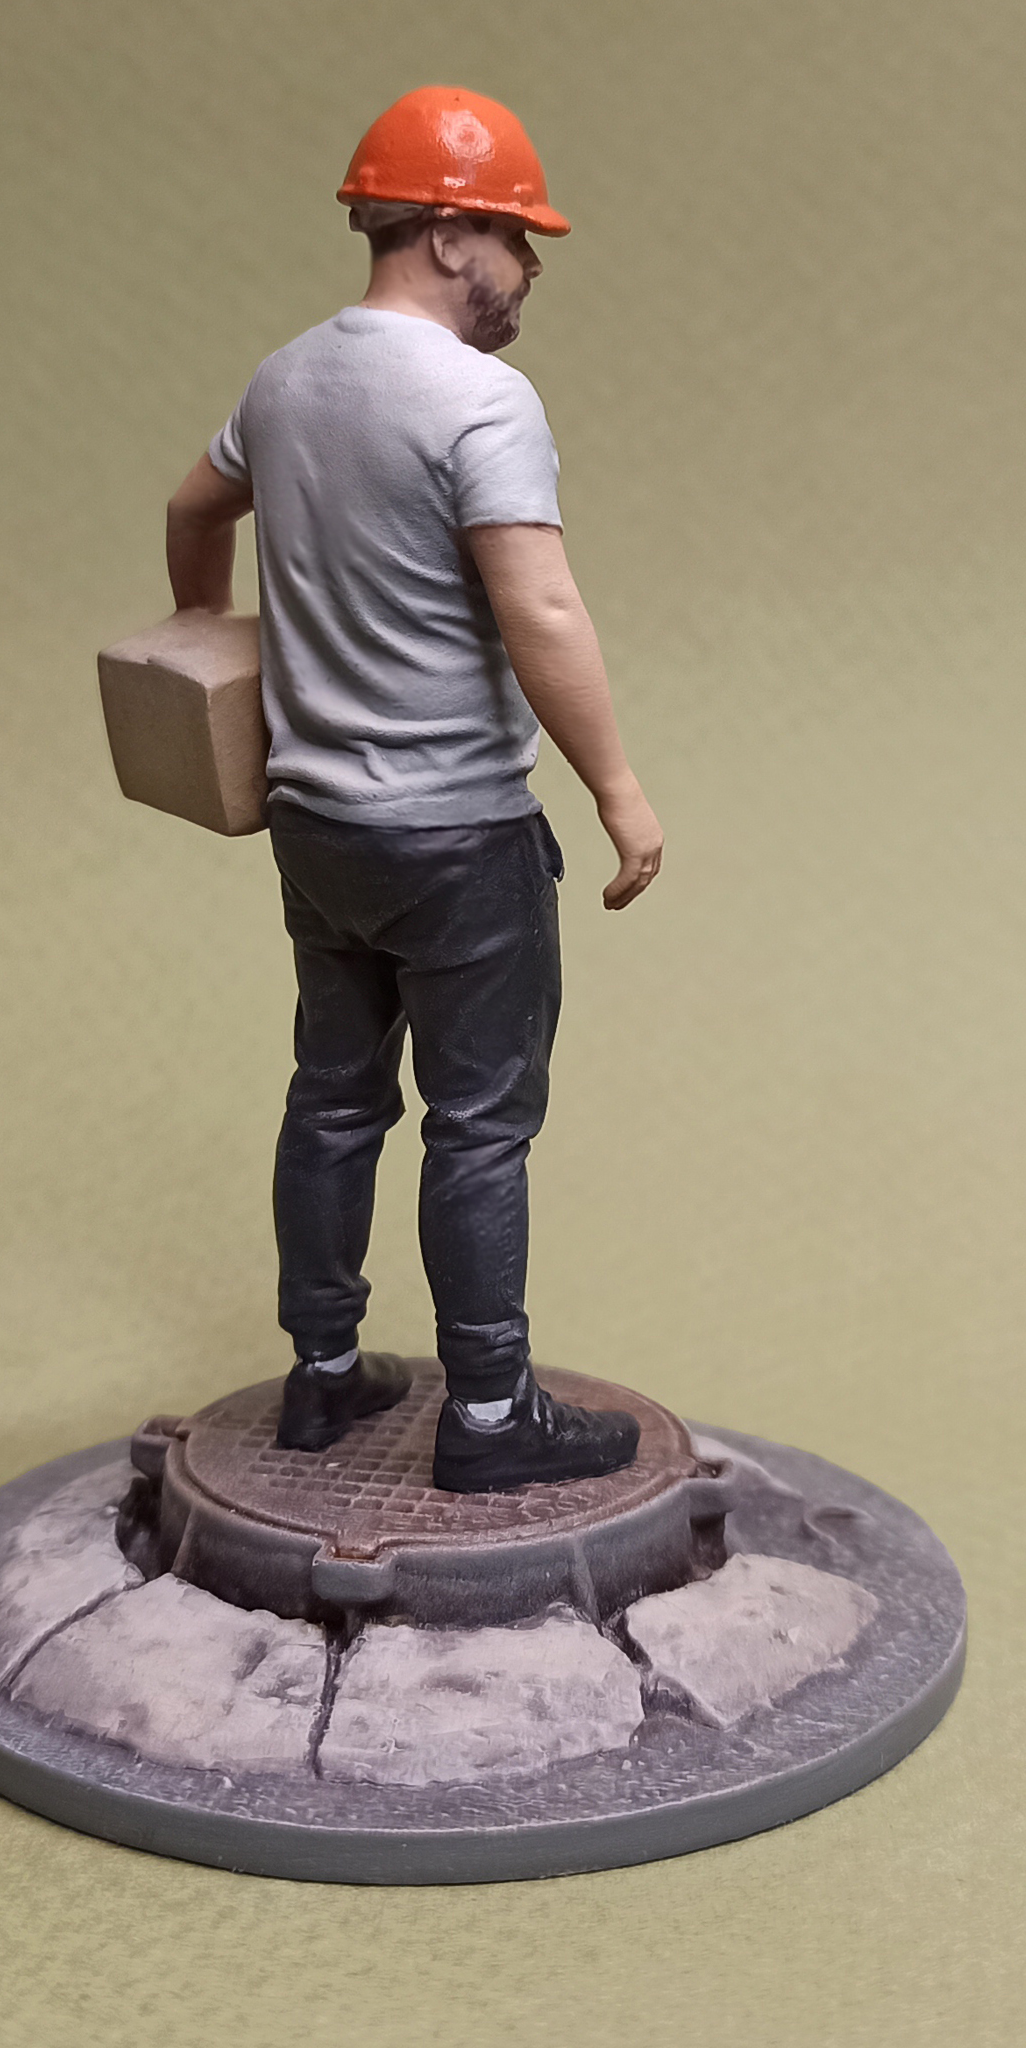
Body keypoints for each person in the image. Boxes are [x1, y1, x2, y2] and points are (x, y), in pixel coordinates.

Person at [163, 87, 664, 1492]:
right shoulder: (479, 400)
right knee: (480, 1123)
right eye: (514, 235)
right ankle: (492, 1414)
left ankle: (322, 1374)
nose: (530, 266)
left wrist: (200, 637)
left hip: (319, 827)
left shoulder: (283, 381)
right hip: (456, 834)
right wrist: (618, 788)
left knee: (333, 1098)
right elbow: (540, 611)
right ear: (447, 233)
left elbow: (192, 509)